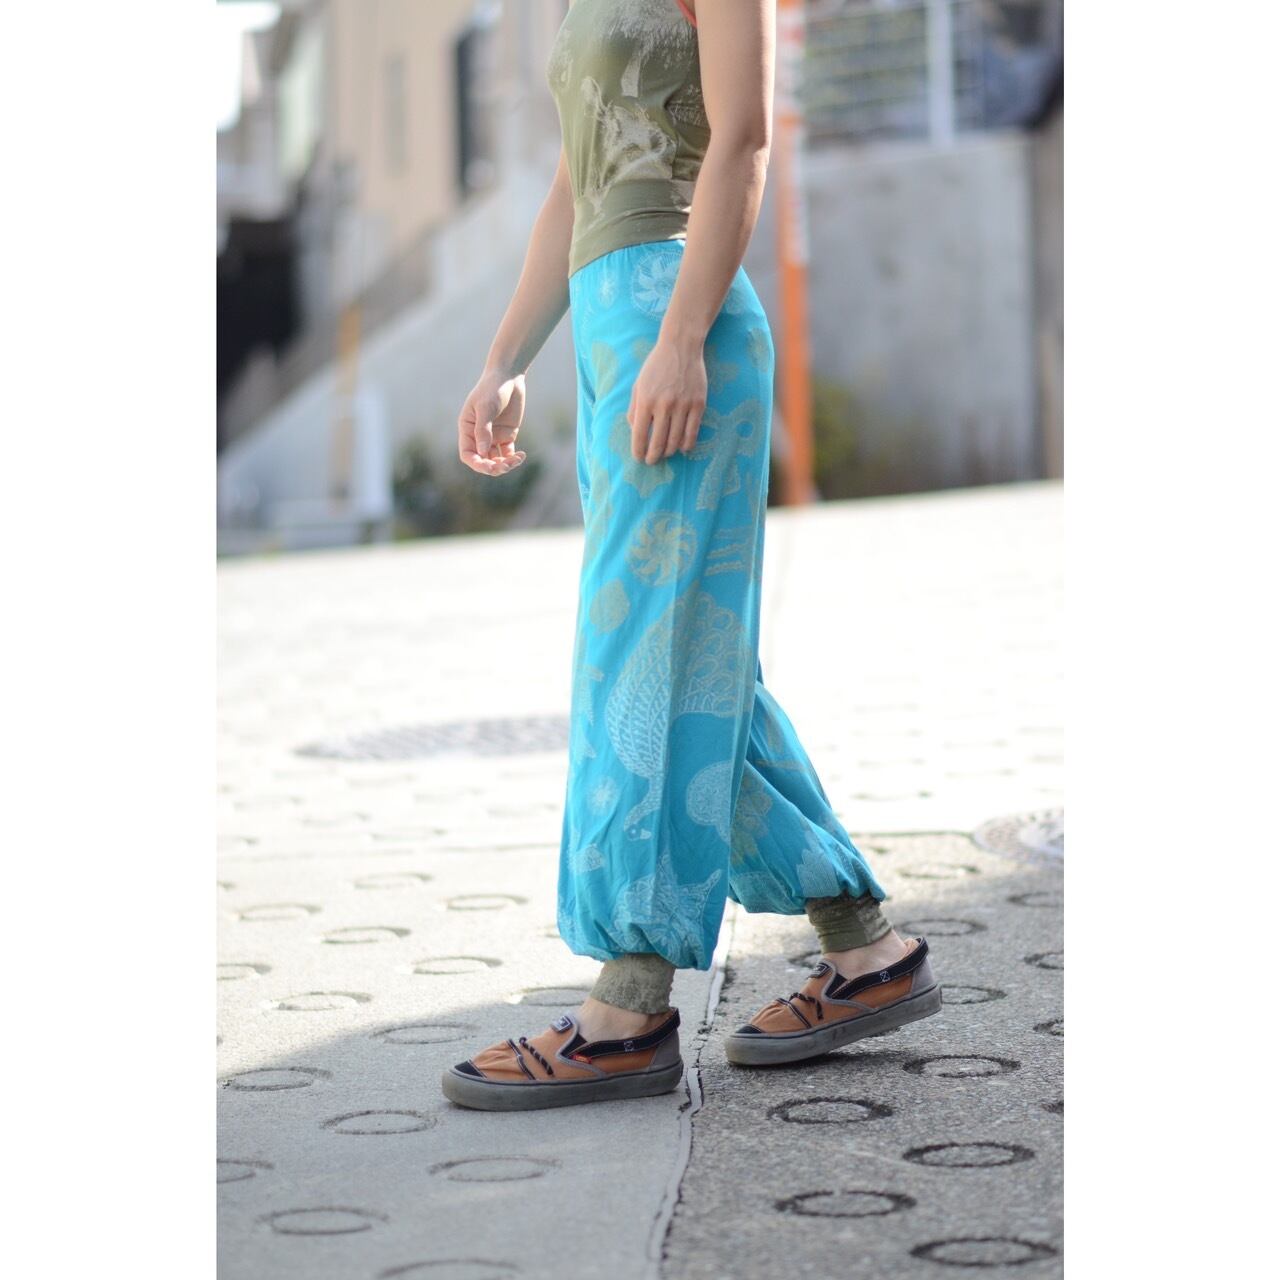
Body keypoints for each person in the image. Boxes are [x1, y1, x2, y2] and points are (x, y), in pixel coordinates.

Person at [443, 0, 938, 1112]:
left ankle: (628, 1005)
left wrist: (678, 338)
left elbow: (742, 137)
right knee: (695, 664)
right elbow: (574, 183)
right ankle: (864, 947)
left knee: (644, 662)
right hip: (611, 332)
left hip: (679, 327)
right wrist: (505, 357)